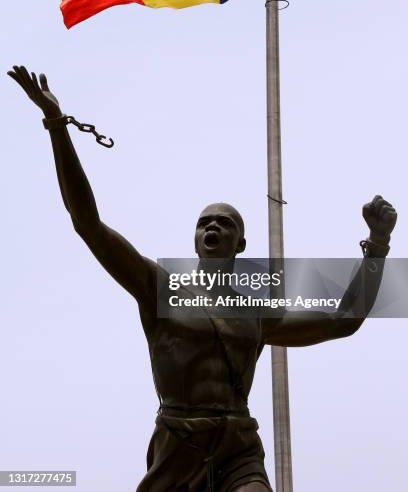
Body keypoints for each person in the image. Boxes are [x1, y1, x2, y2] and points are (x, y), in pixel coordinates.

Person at [7, 65, 397, 492]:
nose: (213, 228)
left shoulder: (256, 315)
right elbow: (88, 223)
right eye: (204, 223)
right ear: (195, 240)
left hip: (238, 448)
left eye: (224, 224)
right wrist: (56, 125)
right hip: (178, 445)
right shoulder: (157, 287)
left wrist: (377, 245)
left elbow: (345, 321)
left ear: (241, 244)